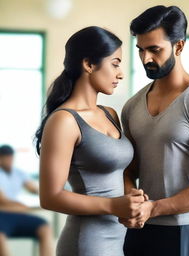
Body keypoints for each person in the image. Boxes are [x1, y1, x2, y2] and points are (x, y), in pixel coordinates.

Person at [120, 5, 189, 256]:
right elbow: (128, 168)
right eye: (140, 49)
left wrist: (153, 208)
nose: (145, 58)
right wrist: (133, 200)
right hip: (142, 230)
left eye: (155, 49)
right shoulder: (132, 106)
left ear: (179, 46)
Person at [34, 26, 146, 256]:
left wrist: (131, 196)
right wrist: (113, 205)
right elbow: (50, 197)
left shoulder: (110, 114)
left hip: (119, 240)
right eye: (115, 63)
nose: (121, 73)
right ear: (89, 64)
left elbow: (116, 173)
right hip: (87, 243)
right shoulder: (64, 121)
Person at [0, 144, 53, 256]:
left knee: (44, 227)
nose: (9, 160)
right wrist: (22, 207)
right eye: (6, 157)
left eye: (11, 157)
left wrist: (48, 192)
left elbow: (32, 188)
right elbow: (3, 200)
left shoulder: (18, 173)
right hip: (3, 214)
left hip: (16, 213)